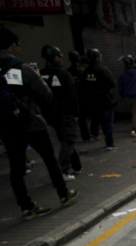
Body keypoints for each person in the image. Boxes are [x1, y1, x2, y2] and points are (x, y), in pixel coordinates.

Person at [0, 28, 78, 219]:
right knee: (49, 159)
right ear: (13, 45)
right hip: (29, 122)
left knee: (16, 167)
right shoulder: (20, 68)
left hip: (4, 124)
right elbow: (46, 94)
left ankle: (26, 207)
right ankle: (63, 194)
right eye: (18, 44)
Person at [40, 45, 82, 179]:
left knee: (66, 138)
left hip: (50, 114)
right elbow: (72, 95)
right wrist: (76, 113)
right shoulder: (63, 73)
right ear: (56, 57)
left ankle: (77, 166)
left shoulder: (41, 74)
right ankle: (62, 171)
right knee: (68, 139)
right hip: (65, 113)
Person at [83, 48, 117, 149]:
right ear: (97, 58)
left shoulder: (86, 71)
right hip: (105, 101)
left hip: (93, 102)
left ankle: (99, 136)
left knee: (101, 121)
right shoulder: (103, 69)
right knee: (108, 123)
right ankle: (109, 143)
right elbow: (112, 83)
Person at [118, 55, 136, 136]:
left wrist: (122, 94)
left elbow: (120, 86)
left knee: (134, 114)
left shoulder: (122, 74)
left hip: (127, 96)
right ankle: (135, 130)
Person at [67, 51, 90, 141]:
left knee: (80, 118)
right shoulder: (82, 71)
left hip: (74, 98)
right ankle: (88, 135)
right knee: (84, 117)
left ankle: (84, 135)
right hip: (83, 97)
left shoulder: (68, 72)